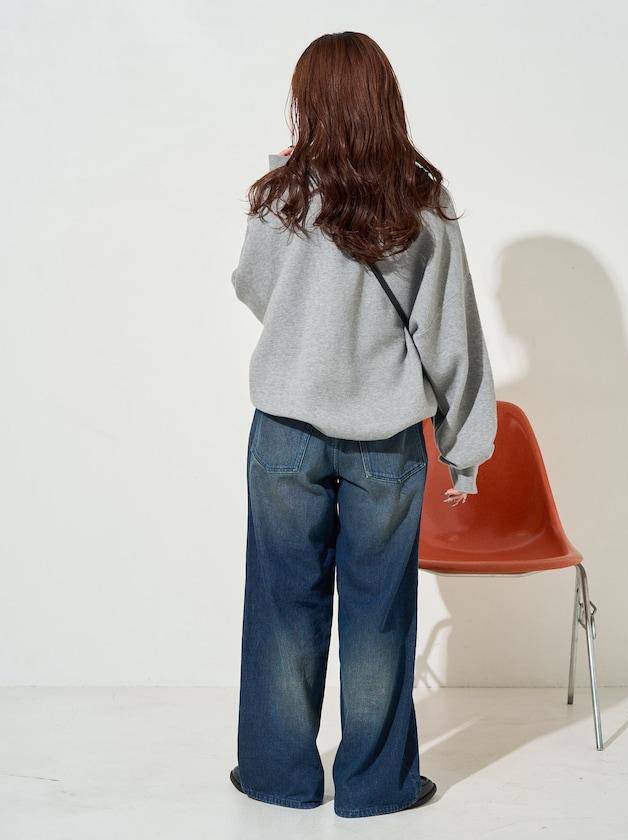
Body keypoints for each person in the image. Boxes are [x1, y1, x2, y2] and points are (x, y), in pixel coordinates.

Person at [228, 31, 497, 819]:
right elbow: (449, 334)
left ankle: (278, 776)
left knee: (282, 605)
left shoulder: (280, 196)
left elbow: (253, 288)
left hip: (285, 431)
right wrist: (465, 446)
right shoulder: (422, 203)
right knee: (379, 611)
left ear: (307, 102)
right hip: (386, 438)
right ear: (385, 100)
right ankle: (376, 788)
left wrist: (311, 326)